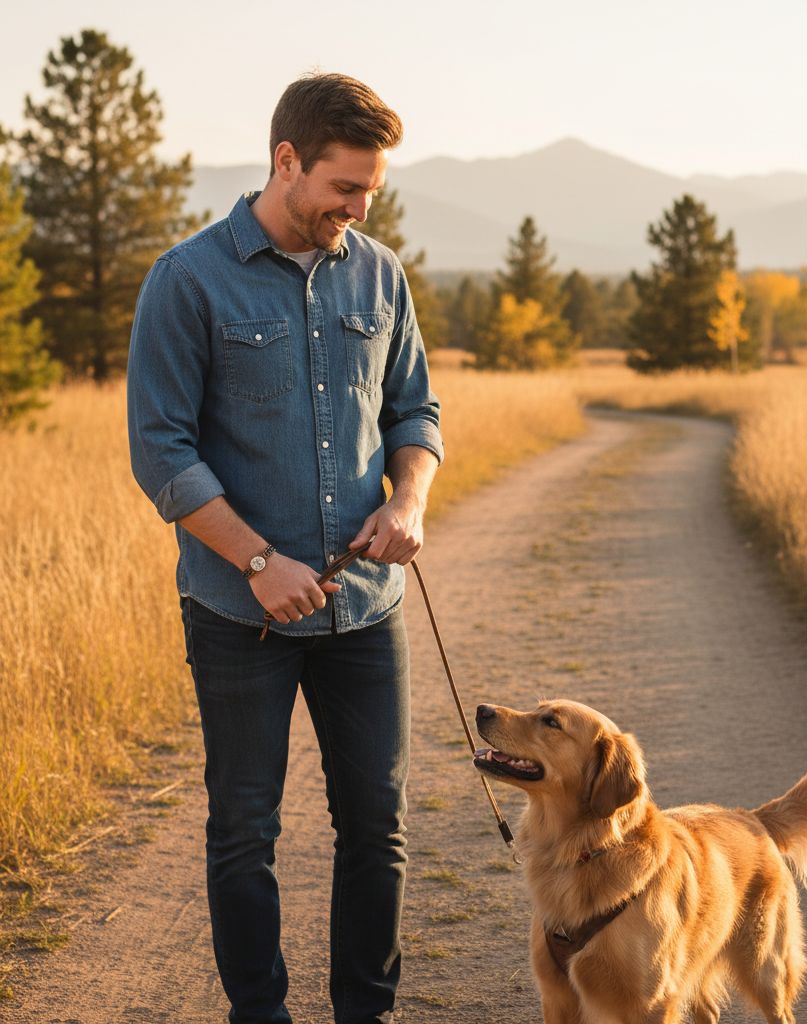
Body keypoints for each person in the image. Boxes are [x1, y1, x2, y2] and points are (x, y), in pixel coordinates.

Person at [126, 73, 442, 1024]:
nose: (358, 209)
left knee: (377, 828)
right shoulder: (187, 281)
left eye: (371, 193)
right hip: (237, 617)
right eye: (344, 188)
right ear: (287, 161)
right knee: (243, 833)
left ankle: (367, 1015)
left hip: (365, 611)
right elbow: (161, 451)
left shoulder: (379, 274)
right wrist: (259, 563)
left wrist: (411, 497)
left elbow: (414, 411)